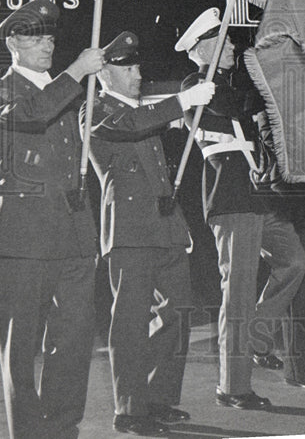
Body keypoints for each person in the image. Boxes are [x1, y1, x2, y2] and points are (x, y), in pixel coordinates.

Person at [176, 8, 305, 411]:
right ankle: (233, 386)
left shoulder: (231, 82)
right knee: (239, 296)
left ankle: (254, 340)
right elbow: (235, 107)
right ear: (203, 47)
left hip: (260, 198)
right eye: (224, 41)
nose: (232, 46)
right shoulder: (197, 84)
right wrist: (263, 76)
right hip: (231, 201)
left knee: (295, 261)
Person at [0, 0, 104, 439]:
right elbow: (30, 114)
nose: (46, 43)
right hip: (23, 238)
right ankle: (29, 433)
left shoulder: (66, 90)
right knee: (21, 348)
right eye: (34, 36)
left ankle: (63, 427)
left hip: (74, 234)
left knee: (73, 340)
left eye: (49, 36)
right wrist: (77, 73)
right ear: (12, 42)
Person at [87, 31, 214, 436]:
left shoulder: (144, 110)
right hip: (128, 230)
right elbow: (130, 125)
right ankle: (129, 409)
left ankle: (158, 398)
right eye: (126, 68)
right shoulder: (98, 110)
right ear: (104, 73)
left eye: (137, 65)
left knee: (177, 312)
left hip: (165, 226)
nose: (136, 73)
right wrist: (180, 101)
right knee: (129, 321)